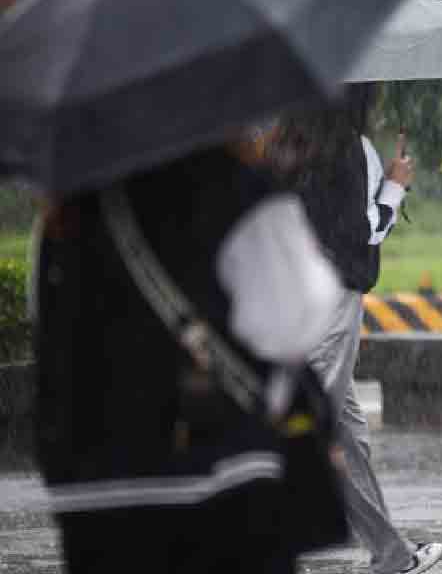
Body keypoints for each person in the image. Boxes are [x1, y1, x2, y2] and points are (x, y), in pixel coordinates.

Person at [34, 138, 345, 573]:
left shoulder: (65, 211)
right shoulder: (229, 184)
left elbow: (54, 347)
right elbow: (296, 317)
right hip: (218, 486)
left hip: (93, 500)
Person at [267, 84, 442, 574]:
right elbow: (363, 231)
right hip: (331, 302)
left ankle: (389, 552)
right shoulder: (349, 148)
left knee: (347, 433)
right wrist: (396, 185)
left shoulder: (285, 141)